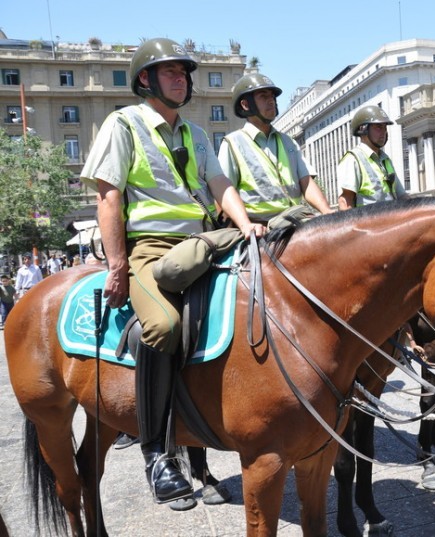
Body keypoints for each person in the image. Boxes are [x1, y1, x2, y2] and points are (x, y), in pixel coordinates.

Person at [80, 38, 265, 504]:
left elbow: (220, 184)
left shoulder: (198, 135)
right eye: (171, 72)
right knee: (162, 327)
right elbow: (109, 197)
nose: (182, 79)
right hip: (149, 248)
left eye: (185, 73)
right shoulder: (123, 124)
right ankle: (156, 453)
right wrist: (118, 265)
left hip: (202, 243)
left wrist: (246, 226)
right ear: (146, 79)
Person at [218, 73, 332, 223]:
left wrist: (328, 212)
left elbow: (307, 182)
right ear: (245, 105)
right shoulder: (232, 143)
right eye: (263, 96)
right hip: (260, 230)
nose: (271, 100)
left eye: (272, 96)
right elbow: (223, 194)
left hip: (295, 221)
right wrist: (241, 226)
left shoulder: (288, 141)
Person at [337, 105, 408, 209]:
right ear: (363, 129)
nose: (384, 132)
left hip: (391, 223)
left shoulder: (385, 160)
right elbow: (345, 202)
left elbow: (402, 196)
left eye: (385, 127)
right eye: (378, 127)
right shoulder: (353, 159)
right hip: (366, 224)